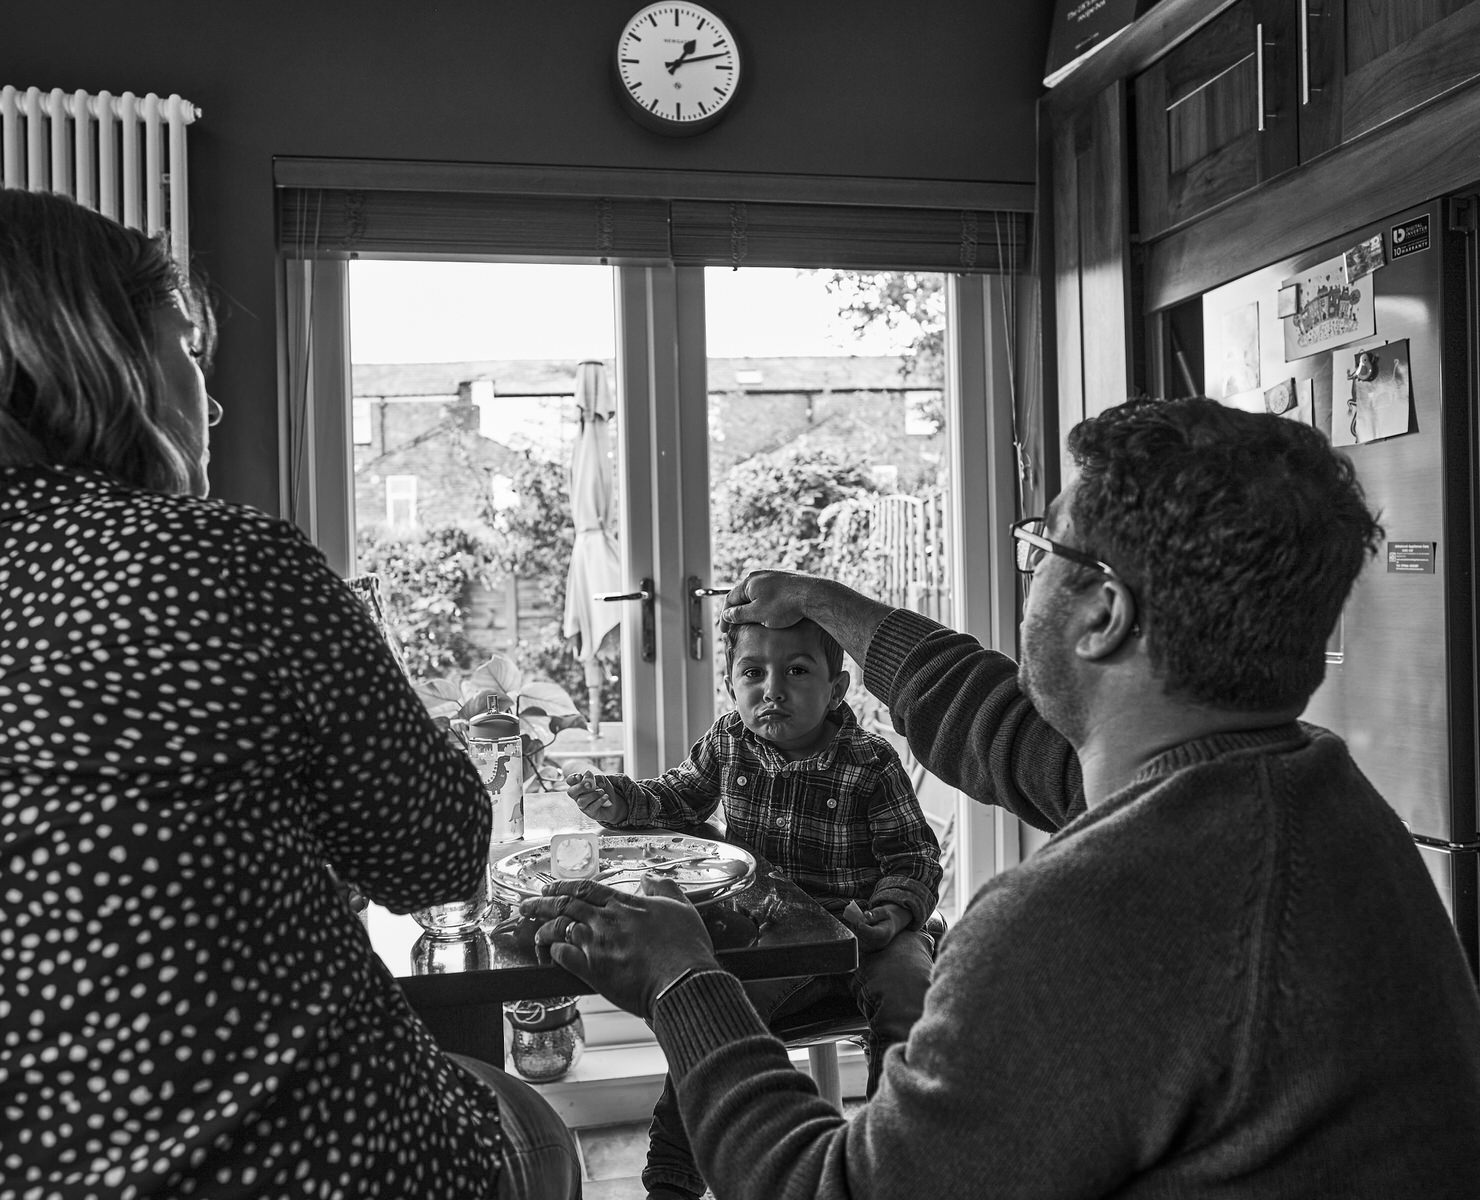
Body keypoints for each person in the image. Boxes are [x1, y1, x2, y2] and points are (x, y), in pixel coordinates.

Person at [524, 397, 1480, 1199]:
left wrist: (684, 982)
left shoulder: (1083, 916)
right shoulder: (1299, 789)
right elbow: (1011, 734)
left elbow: (832, 1188)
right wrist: (829, 605)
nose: (1031, 571)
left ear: (1102, 613)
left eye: (1043, 552)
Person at [0, 183, 579, 1200]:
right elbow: (435, 855)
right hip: (304, 1171)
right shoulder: (221, 560)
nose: (208, 400)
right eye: (189, 352)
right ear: (102, 361)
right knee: (517, 1115)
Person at [567, 617, 941, 1199]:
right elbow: (673, 800)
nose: (773, 689)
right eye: (754, 673)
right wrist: (617, 801)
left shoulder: (871, 761)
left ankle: (897, 1162)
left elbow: (914, 857)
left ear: (836, 690)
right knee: (709, 1025)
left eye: (796, 671)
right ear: (730, 683)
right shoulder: (728, 742)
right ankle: (672, 1179)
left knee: (912, 1006)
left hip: (868, 930)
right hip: (775, 939)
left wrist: (892, 915)